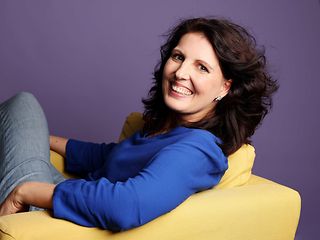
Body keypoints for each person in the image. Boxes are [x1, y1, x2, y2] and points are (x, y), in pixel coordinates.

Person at [0, 17, 278, 231]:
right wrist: (33, 137)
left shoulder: (199, 148)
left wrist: (28, 192)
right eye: (178, 57)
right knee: (16, 121)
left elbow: (126, 206)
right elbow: (108, 156)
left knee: (24, 102)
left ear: (225, 87)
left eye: (202, 67)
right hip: (75, 198)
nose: (181, 72)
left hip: (68, 223)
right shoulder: (168, 127)